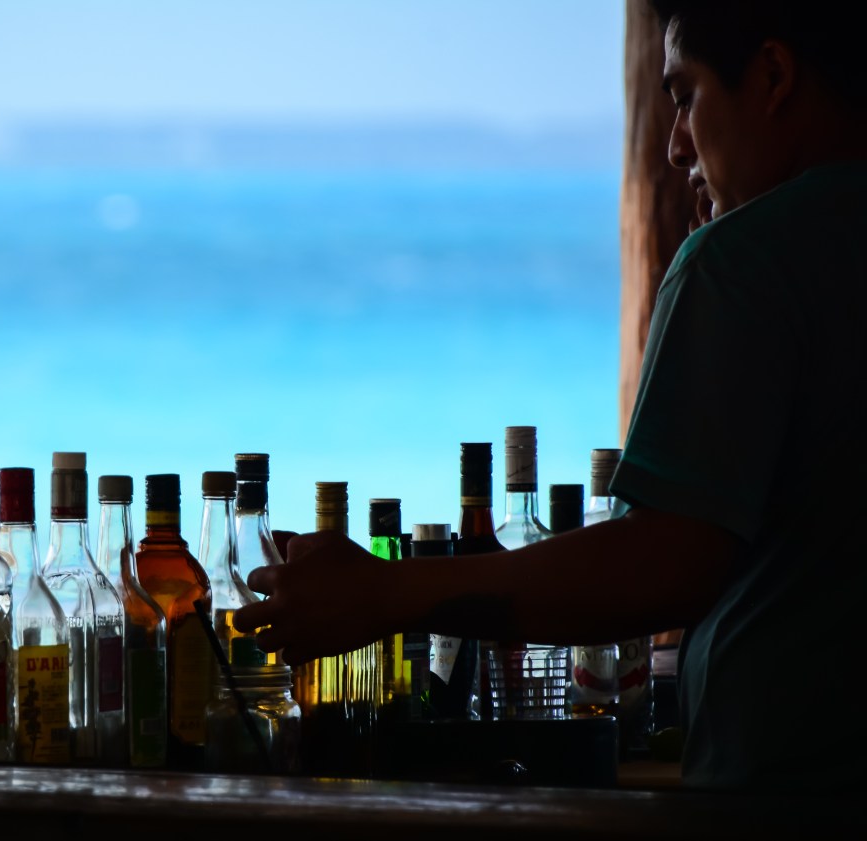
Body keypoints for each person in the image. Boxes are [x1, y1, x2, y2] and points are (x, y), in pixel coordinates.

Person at [235, 0, 867, 793]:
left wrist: (388, 592)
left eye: (686, 98)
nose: (675, 145)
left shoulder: (741, 263)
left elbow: (662, 561)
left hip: (788, 800)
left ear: (772, 76)